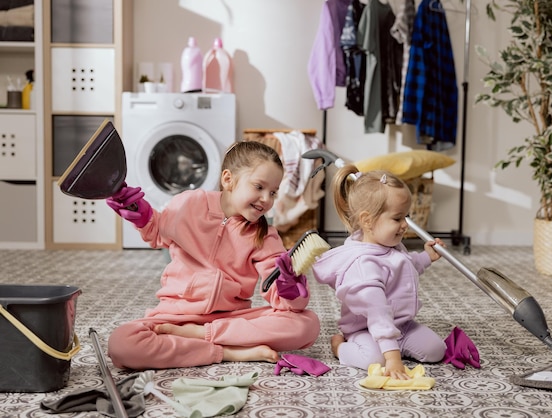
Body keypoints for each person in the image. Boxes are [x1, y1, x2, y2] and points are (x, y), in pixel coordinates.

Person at [105, 141, 320, 370]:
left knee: (307, 323)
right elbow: (158, 231)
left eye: (273, 192)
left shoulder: (265, 235)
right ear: (228, 180)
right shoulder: (190, 202)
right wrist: (142, 214)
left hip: (231, 319)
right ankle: (227, 353)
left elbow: (287, 303)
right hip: (175, 315)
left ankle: (199, 335)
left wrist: (290, 288)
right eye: (259, 187)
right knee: (122, 344)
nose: (267, 199)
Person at [311, 165, 447, 380]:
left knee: (436, 350)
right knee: (374, 361)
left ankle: (394, 346)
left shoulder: (390, 246)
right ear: (367, 220)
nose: (405, 225)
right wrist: (393, 358)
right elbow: (378, 313)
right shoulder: (363, 266)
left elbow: (405, 265)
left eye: (406, 216)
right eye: (397, 218)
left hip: (401, 325)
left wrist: (426, 257)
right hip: (366, 329)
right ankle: (340, 347)